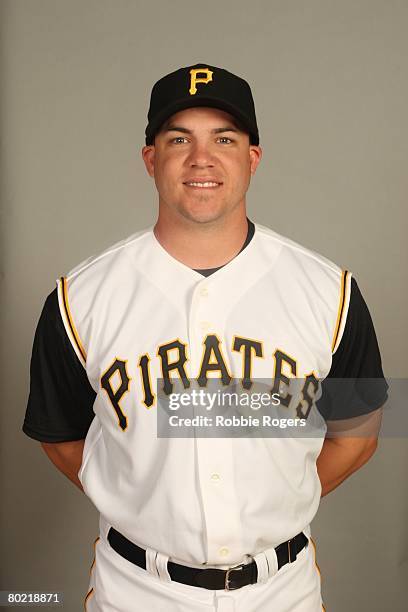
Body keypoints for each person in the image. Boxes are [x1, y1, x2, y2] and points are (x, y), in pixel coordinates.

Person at [23, 63, 388, 611]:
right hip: (135, 592)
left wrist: (272, 506)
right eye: (178, 140)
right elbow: (60, 435)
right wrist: (143, 501)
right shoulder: (79, 298)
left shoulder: (330, 292)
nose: (202, 158)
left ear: (252, 157)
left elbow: (357, 437)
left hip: (280, 593)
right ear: (151, 160)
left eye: (224, 137)